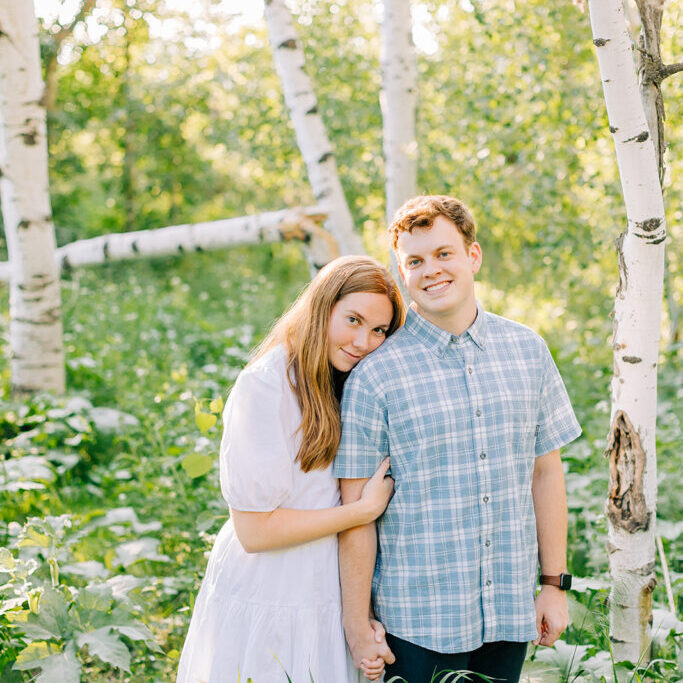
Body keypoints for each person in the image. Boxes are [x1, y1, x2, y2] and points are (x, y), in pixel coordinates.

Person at [334, 196, 582, 683]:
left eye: (444, 254)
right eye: (415, 261)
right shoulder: (375, 376)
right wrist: (358, 625)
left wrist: (554, 584)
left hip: (509, 610)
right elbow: (354, 513)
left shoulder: (527, 350)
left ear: (473, 256)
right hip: (416, 622)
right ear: (402, 273)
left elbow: (546, 472)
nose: (431, 271)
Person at [176, 255, 403, 683]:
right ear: (323, 308)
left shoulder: (348, 382)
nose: (363, 340)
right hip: (271, 586)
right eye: (353, 319)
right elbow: (255, 532)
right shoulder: (265, 385)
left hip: (326, 586)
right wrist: (361, 512)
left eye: (378, 330)